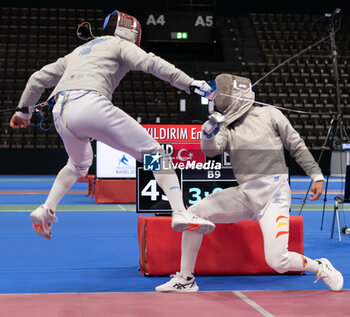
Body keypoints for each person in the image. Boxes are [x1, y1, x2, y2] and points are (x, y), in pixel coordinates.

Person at [9, 10, 216, 239]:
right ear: (129, 31)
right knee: (156, 154)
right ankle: (180, 211)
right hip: (90, 105)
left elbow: (37, 78)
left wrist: (23, 113)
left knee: (78, 165)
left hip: (60, 112)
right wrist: (191, 84)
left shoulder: (78, 52)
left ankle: (46, 209)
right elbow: (152, 63)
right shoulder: (119, 44)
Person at [156, 74, 344, 292]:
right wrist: (207, 134)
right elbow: (211, 151)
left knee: (278, 261)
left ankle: (319, 266)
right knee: (194, 214)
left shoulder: (270, 114)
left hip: (274, 194)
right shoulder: (226, 126)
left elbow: (296, 144)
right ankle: (185, 279)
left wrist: (316, 175)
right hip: (245, 194)